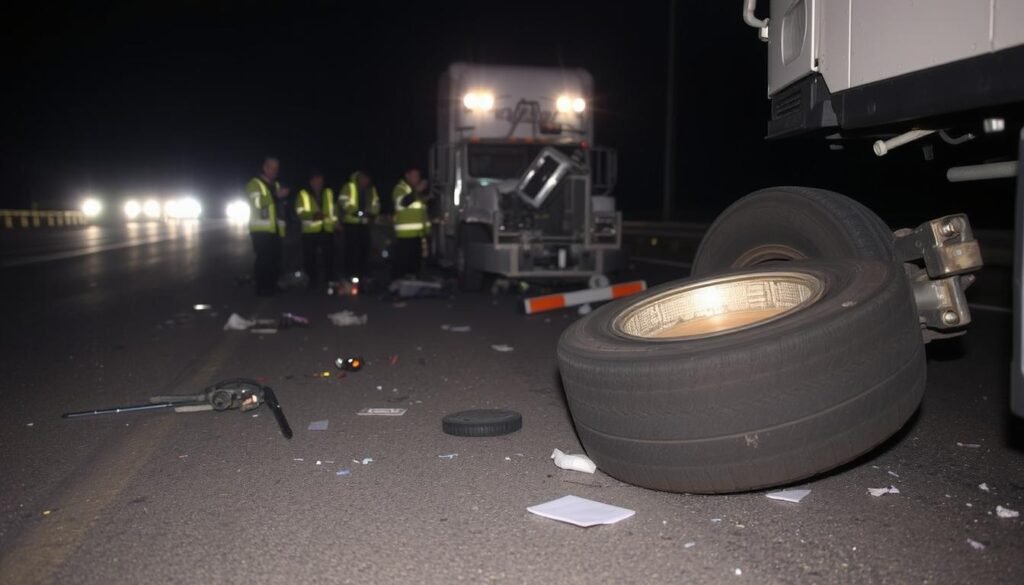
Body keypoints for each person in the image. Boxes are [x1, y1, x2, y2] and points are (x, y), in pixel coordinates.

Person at [246, 156, 289, 295]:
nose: (275, 171)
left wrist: (281, 230)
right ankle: (261, 288)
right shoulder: (254, 183)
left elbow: (279, 209)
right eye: (272, 168)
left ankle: (272, 286)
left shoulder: (275, 185)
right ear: (265, 168)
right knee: (263, 259)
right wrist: (276, 196)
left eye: (277, 168)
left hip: (274, 229)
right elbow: (257, 203)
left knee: (275, 259)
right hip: (260, 229)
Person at [295, 171, 337, 288]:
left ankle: (329, 279)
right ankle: (311, 281)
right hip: (310, 231)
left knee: (329, 256)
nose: (319, 184)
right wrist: (313, 215)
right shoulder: (303, 194)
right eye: (316, 182)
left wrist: (335, 222)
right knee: (309, 258)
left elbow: (333, 210)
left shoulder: (328, 192)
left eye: (321, 182)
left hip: (326, 229)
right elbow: (299, 212)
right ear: (311, 182)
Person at [338, 170, 380, 282]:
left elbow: (376, 204)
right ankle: (349, 275)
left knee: (364, 250)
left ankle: (364, 275)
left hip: (365, 224)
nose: (364, 181)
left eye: (366, 179)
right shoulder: (348, 186)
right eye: (362, 178)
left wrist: (372, 213)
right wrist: (355, 211)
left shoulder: (372, 190)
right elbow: (343, 201)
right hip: (351, 223)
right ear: (358, 178)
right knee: (350, 250)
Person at [390, 168, 431, 279]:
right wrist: (417, 191)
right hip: (404, 236)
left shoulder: (417, 192)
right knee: (402, 264)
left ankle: (412, 286)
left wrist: (427, 232)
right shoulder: (400, 189)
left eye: (418, 176)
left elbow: (422, 214)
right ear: (407, 176)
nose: (416, 179)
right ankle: (399, 286)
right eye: (414, 176)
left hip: (418, 235)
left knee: (416, 264)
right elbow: (403, 203)